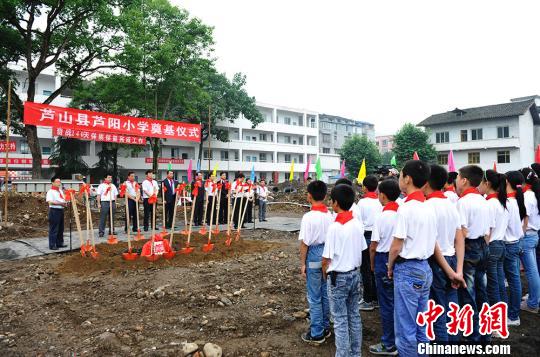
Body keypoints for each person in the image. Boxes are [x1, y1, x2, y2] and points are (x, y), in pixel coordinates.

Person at [388, 160, 436, 356]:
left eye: (400, 176)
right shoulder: (428, 207)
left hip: (408, 270)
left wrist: (390, 265)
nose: (399, 179)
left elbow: (396, 245)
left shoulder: (406, 209)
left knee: (405, 329)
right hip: (425, 268)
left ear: (407, 179)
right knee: (420, 325)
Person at [322, 184, 366, 356]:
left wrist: (324, 271)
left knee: (340, 320)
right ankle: (355, 353)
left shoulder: (334, 227)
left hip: (338, 277)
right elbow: (361, 247)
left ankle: (343, 354)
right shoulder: (356, 223)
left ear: (335, 203)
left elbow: (326, 258)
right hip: (355, 274)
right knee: (354, 315)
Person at [424, 164, 464, 342]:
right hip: (453, 259)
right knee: (452, 310)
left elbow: (433, 244)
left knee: (438, 312)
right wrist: (458, 270)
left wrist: (448, 270)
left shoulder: (427, 206)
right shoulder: (450, 204)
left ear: (426, 182)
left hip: (437, 263)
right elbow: (459, 238)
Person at [455, 165, 490, 341]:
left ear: (464, 180)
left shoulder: (463, 202)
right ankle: (485, 334)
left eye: (457, 177)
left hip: (469, 248)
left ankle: (472, 337)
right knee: (481, 290)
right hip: (483, 246)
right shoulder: (483, 201)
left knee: (468, 294)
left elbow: (461, 232)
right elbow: (488, 230)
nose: (456, 180)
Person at [299, 180, 333, 345]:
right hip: (327, 254)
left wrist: (302, 263)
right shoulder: (330, 215)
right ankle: (326, 327)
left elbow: (304, 243)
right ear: (325, 196)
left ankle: (317, 333)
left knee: (314, 296)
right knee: (325, 293)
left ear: (309, 196)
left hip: (313, 254)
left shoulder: (308, 217)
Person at [368, 179, 400, 355]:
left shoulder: (381, 217)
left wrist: (372, 265)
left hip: (383, 259)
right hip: (400, 260)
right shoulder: (402, 213)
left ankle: (389, 344)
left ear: (383, 195)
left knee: (386, 304)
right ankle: (400, 339)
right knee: (399, 303)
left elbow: (374, 245)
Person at [479, 170, 509, 319]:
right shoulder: (501, 201)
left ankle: (496, 321)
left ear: (487, 183)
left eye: (481, 182)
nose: (479, 185)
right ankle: (503, 315)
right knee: (498, 282)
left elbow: (487, 231)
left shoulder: (490, 203)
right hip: (501, 245)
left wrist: (484, 249)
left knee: (492, 285)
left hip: (492, 245)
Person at [354, 174, 381, 311]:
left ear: (364, 187)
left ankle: (368, 299)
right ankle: (376, 298)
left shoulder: (362, 203)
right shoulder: (380, 202)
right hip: (378, 238)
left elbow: (358, 222)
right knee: (375, 269)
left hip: (365, 237)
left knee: (366, 270)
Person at [504, 171, 525, 325]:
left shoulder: (509, 202)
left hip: (509, 245)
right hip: (516, 243)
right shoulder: (517, 200)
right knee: (514, 280)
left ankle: (512, 316)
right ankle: (513, 314)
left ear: (506, 182)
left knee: (512, 281)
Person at [518, 168, 540, 314]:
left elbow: (524, 221)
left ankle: (533, 303)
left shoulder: (527, 196)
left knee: (532, 272)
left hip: (527, 236)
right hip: (534, 235)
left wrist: (520, 235)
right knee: (533, 271)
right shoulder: (535, 194)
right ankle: (534, 299)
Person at [46, 177, 67, 250]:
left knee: (61, 228)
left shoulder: (60, 191)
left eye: (59, 182)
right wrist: (60, 203)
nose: (59, 183)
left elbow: (63, 199)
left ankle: (59, 243)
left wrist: (65, 202)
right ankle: (52, 245)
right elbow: (50, 202)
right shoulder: (50, 191)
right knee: (54, 228)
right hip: (54, 211)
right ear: (53, 183)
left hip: (61, 210)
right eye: (57, 182)